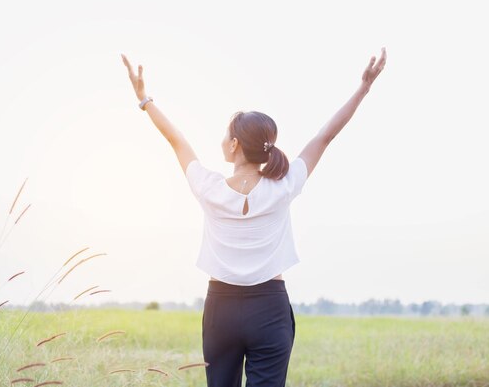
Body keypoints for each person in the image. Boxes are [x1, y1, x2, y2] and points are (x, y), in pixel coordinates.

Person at [121, 47, 387, 387]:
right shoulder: (284, 185)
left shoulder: (209, 187)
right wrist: (363, 88)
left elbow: (176, 140)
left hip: (221, 311)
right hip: (270, 308)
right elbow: (325, 136)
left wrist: (145, 99)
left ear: (233, 145)